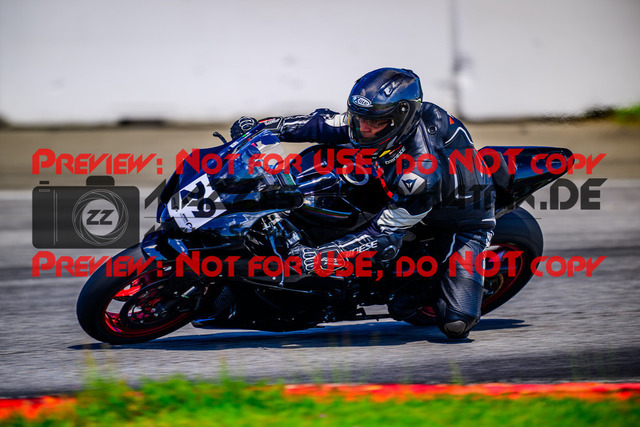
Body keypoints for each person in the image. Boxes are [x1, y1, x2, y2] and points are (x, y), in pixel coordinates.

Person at [230, 68, 495, 339]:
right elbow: (320, 124)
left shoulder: (420, 173)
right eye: (358, 118)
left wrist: (323, 255)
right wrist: (260, 128)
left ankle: (428, 281)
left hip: (460, 221)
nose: (362, 128)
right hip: (401, 191)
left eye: (373, 122)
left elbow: (382, 234)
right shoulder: (380, 121)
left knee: (450, 322)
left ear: (399, 119)